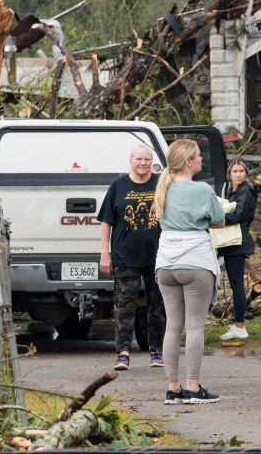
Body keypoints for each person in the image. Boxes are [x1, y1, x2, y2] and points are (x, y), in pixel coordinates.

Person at [153, 139, 227, 405]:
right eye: (198, 156)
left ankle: (172, 388)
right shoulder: (202, 189)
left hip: (166, 263)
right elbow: (220, 220)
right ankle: (193, 386)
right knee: (195, 326)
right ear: (188, 161)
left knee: (172, 326)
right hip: (195, 259)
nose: (201, 160)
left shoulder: (163, 187)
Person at [98, 145, 165, 371]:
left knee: (158, 306)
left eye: (147, 159)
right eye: (139, 159)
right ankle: (123, 352)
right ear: (131, 161)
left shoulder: (161, 183)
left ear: (152, 161)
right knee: (124, 306)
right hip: (125, 256)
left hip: (158, 256)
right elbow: (106, 221)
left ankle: (157, 351)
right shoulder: (118, 186)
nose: (143, 163)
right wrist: (104, 253)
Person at [218, 157, 257, 341]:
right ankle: (237, 324)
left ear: (246, 173)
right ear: (230, 173)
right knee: (235, 285)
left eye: (241, 171)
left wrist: (218, 219)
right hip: (231, 241)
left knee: (237, 286)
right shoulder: (231, 190)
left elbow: (239, 215)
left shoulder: (246, 190)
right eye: (235, 171)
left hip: (238, 241)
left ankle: (240, 326)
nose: (238, 174)